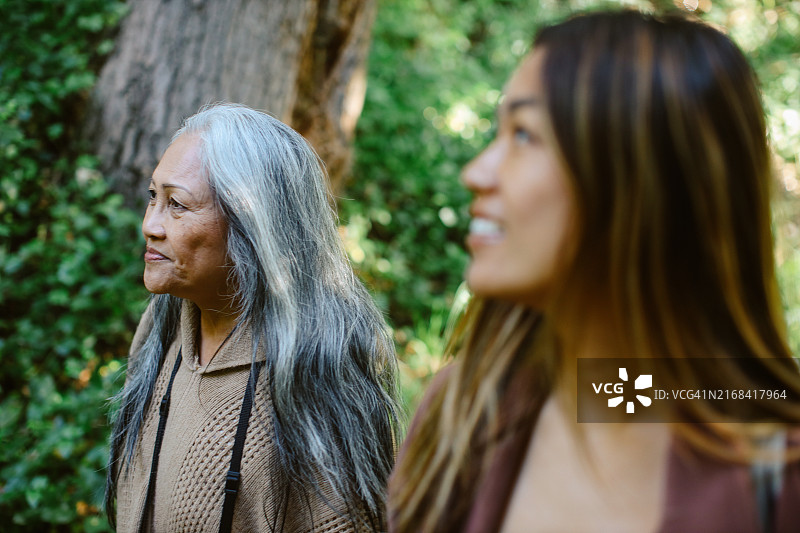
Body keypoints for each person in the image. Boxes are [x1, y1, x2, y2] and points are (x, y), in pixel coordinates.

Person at [388, 9, 800, 533]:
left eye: (524, 135)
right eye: (498, 132)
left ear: (642, 182)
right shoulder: (461, 414)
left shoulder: (779, 471)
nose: (476, 173)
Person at [106, 103, 400, 532]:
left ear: (253, 222)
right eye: (154, 197)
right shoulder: (161, 329)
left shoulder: (313, 375)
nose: (150, 225)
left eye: (178, 204)